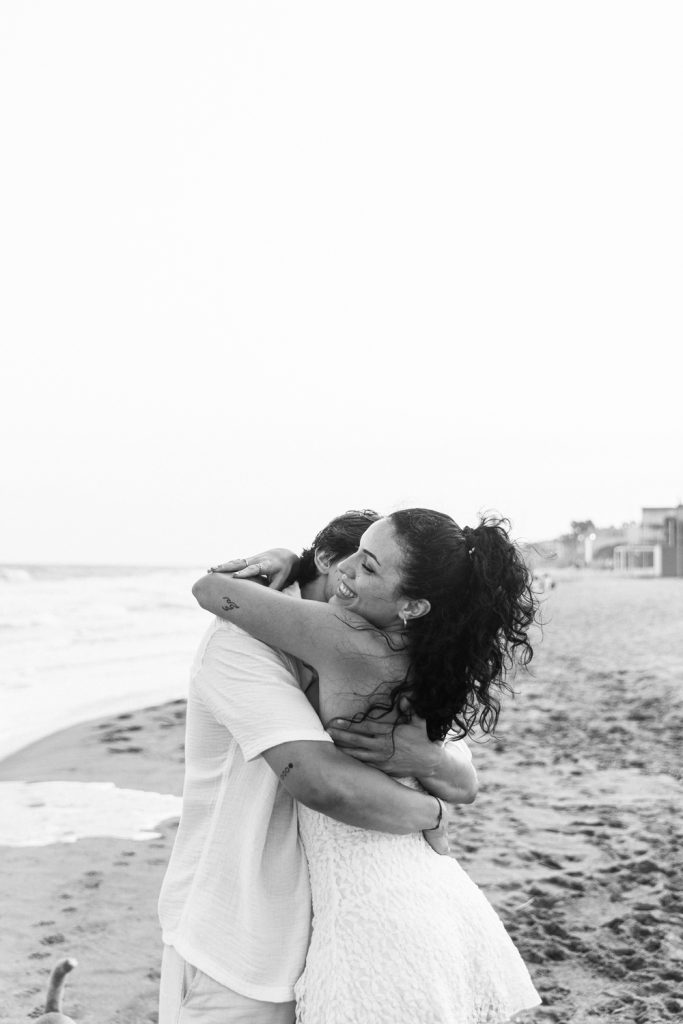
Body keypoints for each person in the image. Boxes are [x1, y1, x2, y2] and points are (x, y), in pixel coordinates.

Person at [193, 508, 542, 1024]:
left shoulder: (342, 635)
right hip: (426, 884)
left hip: (372, 911)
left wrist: (286, 560)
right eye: (351, 556)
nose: (347, 571)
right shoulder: (433, 656)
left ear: (415, 603)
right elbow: (462, 782)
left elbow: (211, 590)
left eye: (370, 566)